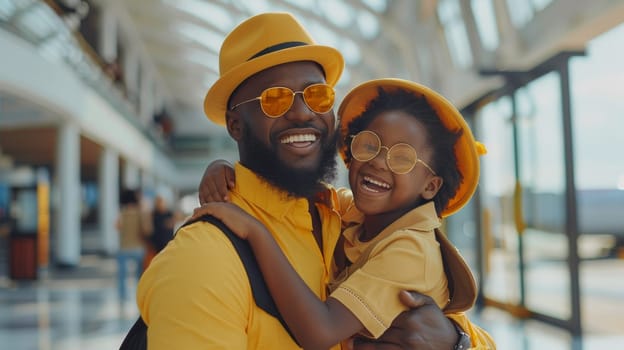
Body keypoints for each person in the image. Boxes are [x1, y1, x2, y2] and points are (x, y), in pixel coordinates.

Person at [137, 12, 494, 349]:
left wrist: (456, 340)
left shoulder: (340, 215)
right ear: (235, 125)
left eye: (317, 95)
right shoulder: (203, 259)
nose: (303, 112)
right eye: (274, 99)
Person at [194, 78, 491, 349]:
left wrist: (255, 232)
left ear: (431, 186)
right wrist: (227, 170)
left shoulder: (412, 250)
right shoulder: (359, 213)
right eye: (369, 145)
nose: (378, 163)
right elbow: (305, 190)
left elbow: (320, 332)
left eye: (402, 158)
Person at [116, 188, 149, 302]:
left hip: (124, 247)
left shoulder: (122, 212)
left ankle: (122, 298)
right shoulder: (140, 212)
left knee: (122, 276)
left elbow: (117, 226)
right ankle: (140, 296)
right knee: (140, 276)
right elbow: (146, 229)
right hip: (138, 247)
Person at [142, 195, 175, 269]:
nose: (159, 204)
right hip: (155, 245)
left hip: (167, 244)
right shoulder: (153, 214)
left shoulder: (169, 214)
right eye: (158, 202)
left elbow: (172, 225)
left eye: (161, 202)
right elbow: (148, 229)